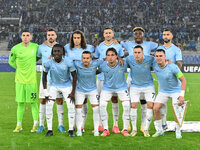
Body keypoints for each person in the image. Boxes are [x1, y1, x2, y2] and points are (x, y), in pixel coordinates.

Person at [121, 27, 158, 132]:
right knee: (129, 103)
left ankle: (142, 125)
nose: (138, 35)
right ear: (133, 35)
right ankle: (127, 124)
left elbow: (161, 48)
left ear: (143, 35)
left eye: (140, 33)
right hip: (131, 79)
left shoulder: (150, 44)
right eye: (136, 33)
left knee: (144, 104)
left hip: (145, 79)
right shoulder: (128, 43)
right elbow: (116, 45)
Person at [42, 44, 77, 137]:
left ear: (63, 53)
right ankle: (50, 130)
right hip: (54, 86)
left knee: (71, 107)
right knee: (49, 106)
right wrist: (45, 91)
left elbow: (74, 76)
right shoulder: (49, 63)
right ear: (52, 53)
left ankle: (70, 130)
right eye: (55, 51)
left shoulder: (68, 62)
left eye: (59, 51)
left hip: (67, 86)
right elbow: (44, 76)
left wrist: (73, 92)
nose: (57, 53)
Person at [94, 28, 124, 133]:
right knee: (99, 102)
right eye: (106, 33)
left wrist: (120, 58)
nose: (107, 34)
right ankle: (100, 125)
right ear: (103, 34)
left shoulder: (118, 45)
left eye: (109, 33)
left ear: (113, 34)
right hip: (101, 78)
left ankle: (115, 124)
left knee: (114, 100)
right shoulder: (100, 46)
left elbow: (121, 58)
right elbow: (96, 58)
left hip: (114, 77)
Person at [9, 29, 39, 132]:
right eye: (23, 35)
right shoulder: (15, 48)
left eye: (27, 35)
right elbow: (10, 61)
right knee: (20, 103)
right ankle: (19, 125)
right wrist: (17, 67)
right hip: (19, 80)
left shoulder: (35, 47)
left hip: (31, 80)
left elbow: (40, 55)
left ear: (31, 37)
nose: (25, 37)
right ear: (21, 37)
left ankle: (35, 124)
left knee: (33, 103)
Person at [64, 30, 95, 132]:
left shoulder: (89, 48)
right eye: (74, 38)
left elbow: (97, 57)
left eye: (78, 38)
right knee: (73, 104)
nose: (76, 40)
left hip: (84, 80)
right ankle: (72, 125)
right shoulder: (66, 48)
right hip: (71, 80)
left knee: (84, 104)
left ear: (82, 39)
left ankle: (81, 126)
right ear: (72, 39)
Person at [152, 49, 186, 139]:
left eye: (161, 56)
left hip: (176, 91)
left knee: (176, 110)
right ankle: (159, 130)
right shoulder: (154, 65)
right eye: (157, 56)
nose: (159, 58)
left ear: (165, 57)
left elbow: (183, 80)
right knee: (155, 108)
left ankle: (178, 131)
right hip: (163, 91)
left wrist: (182, 95)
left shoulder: (172, 67)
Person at [37, 28, 65, 133]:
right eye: (49, 35)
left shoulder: (61, 47)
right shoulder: (41, 47)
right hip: (45, 80)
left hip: (58, 80)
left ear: (56, 36)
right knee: (43, 100)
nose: (51, 37)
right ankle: (41, 125)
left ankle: (60, 125)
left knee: (59, 101)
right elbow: (36, 57)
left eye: (52, 35)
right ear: (46, 36)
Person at [99, 48, 130, 137]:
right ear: (106, 57)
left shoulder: (123, 64)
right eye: (108, 55)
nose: (110, 57)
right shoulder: (103, 66)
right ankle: (106, 129)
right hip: (107, 88)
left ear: (116, 56)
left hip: (121, 88)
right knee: (102, 106)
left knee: (126, 106)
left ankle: (125, 129)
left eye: (112, 55)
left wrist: (121, 58)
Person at [126, 45, 155, 137]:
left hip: (148, 86)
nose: (137, 54)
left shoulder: (150, 59)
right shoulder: (129, 59)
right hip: (135, 86)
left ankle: (145, 128)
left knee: (150, 106)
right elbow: (121, 63)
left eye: (139, 52)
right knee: (133, 105)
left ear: (143, 53)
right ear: (133, 53)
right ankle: (134, 129)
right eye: (135, 52)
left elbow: (159, 61)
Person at [157, 29, 183, 130]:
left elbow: (179, 63)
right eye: (164, 34)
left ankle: (178, 126)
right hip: (162, 81)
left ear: (172, 36)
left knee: (176, 105)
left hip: (174, 81)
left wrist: (175, 69)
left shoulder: (176, 49)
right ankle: (164, 124)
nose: (165, 36)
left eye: (168, 34)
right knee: (161, 104)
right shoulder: (159, 48)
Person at [74, 51, 100, 136]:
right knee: (78, 110)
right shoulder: (77, 64)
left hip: (92, 90)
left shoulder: (95, 64)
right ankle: (79, 129)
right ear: (81, 59)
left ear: (91, 59)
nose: (85, 60)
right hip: (80, 90)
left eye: (87, 58)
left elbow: (105, 60)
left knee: (96, 109)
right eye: (84, 58)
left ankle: (96, 130)